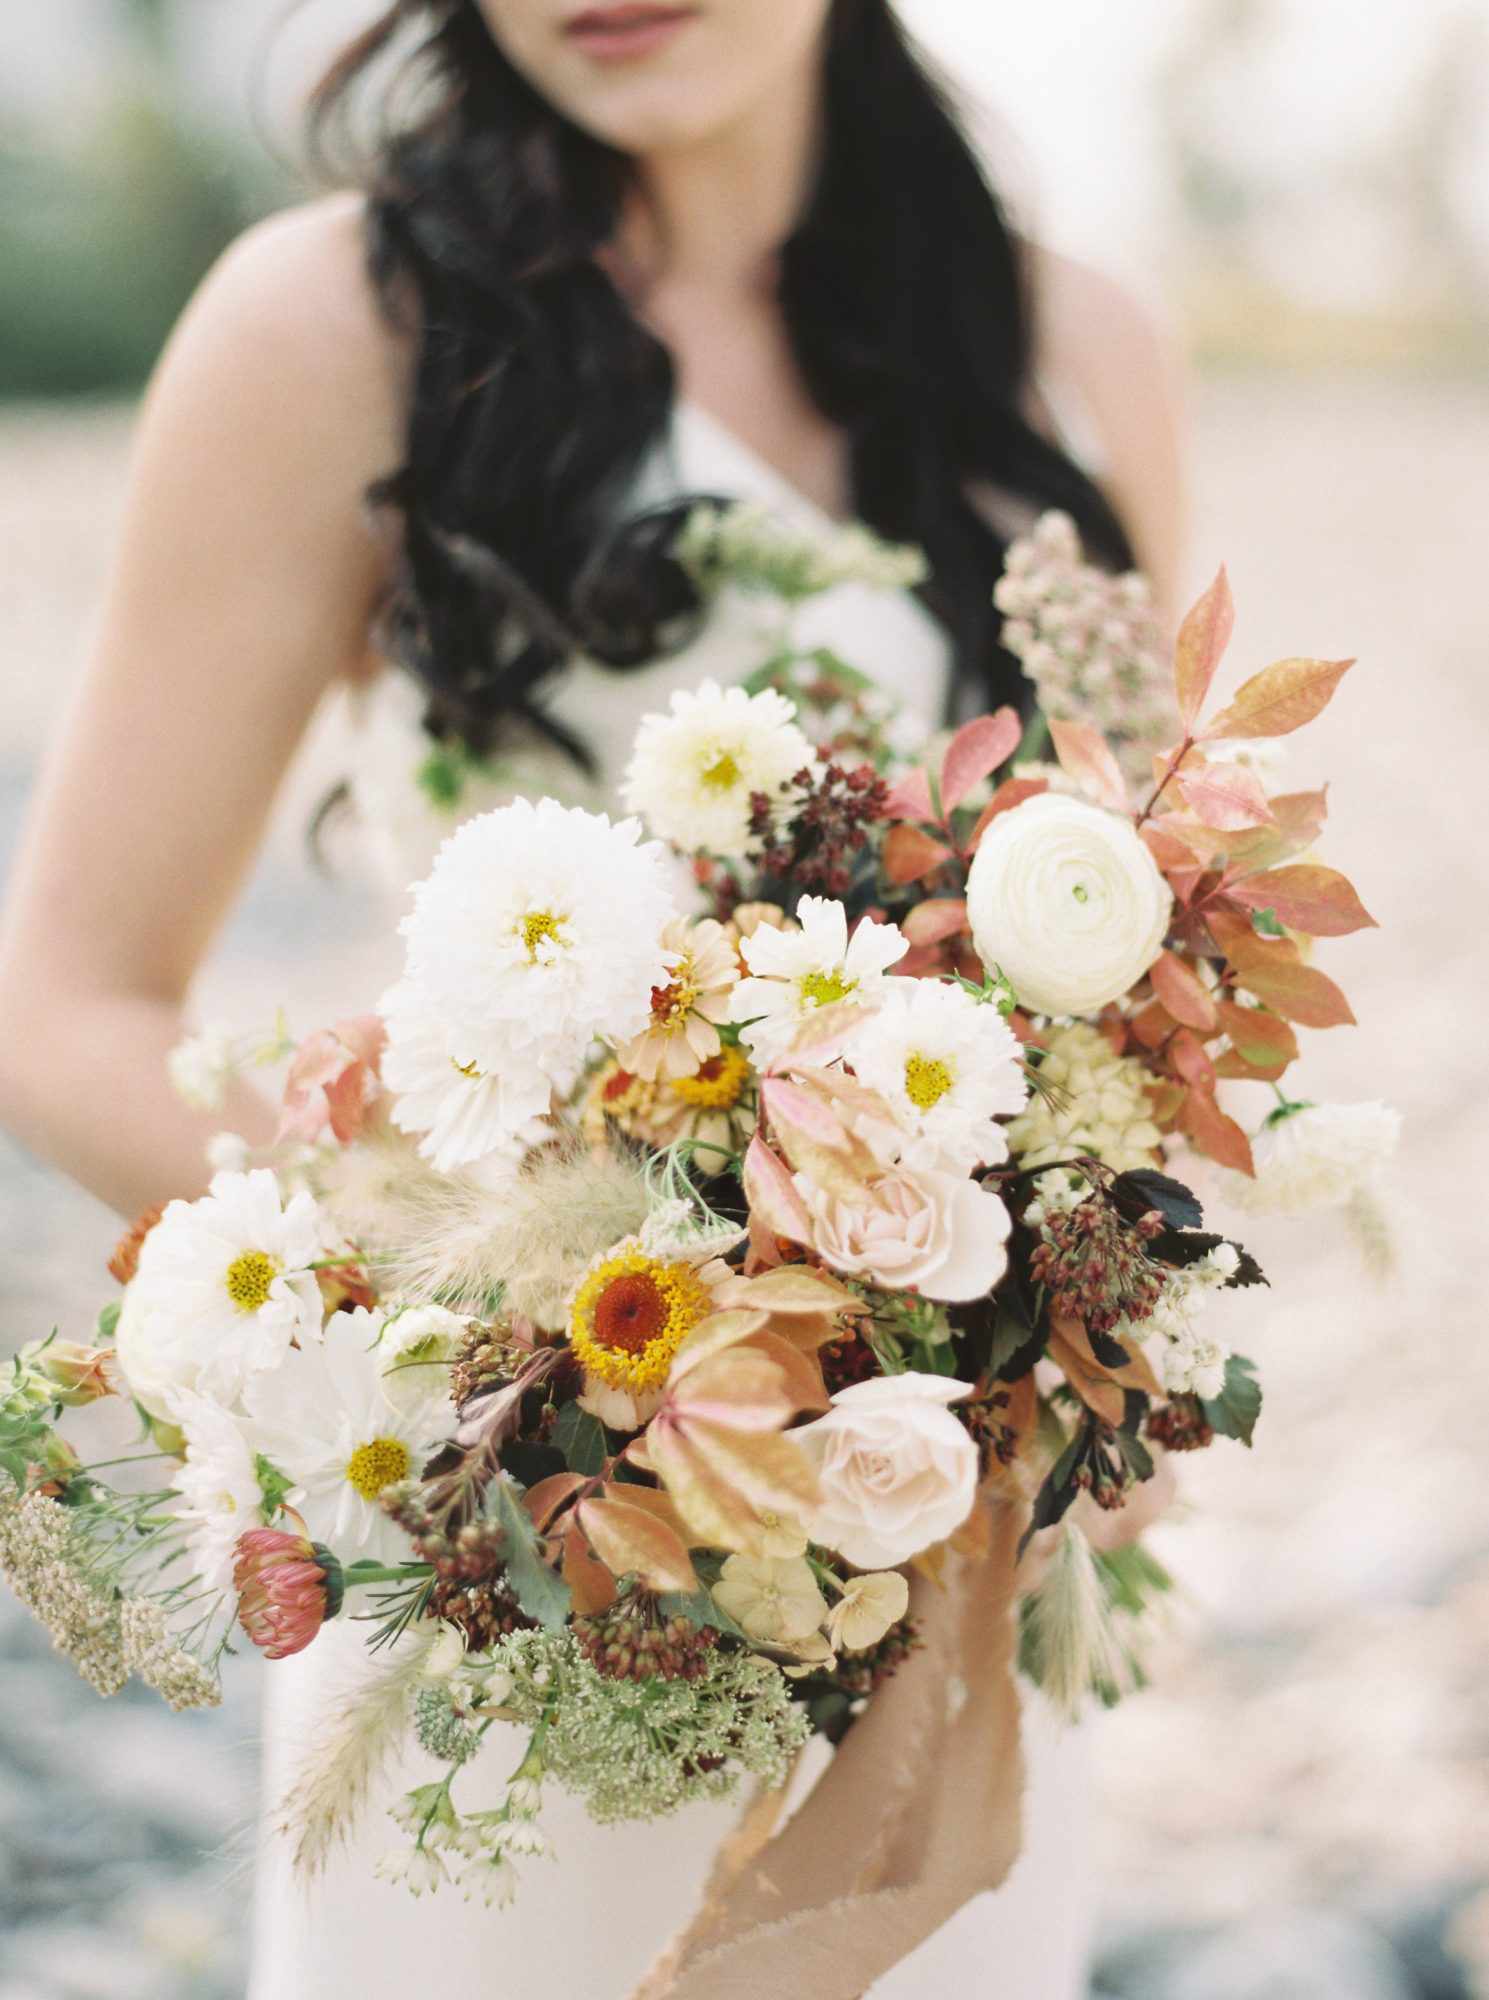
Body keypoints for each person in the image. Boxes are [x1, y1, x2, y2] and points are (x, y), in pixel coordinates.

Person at [0, 2, 1185, 1993]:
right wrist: (531, 1308)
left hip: (953, 1550)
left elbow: (1155, 954)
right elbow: (65, 1000)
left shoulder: (1075, 350)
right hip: (524, 1551)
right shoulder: (333, 329)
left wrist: (1024, 1318)